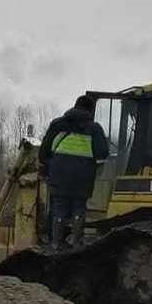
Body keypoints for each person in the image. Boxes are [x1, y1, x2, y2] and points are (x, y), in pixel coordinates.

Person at [39, 95, 110, 249]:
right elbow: (103, 153)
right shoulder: (94, 128)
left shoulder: (58, 124)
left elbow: (43, 152)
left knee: (59, 207)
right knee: (79, 207)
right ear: (90, 110)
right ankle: (76, 242)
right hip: (83, 177)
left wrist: (49, 165)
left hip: (59, 174)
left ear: (75, 106)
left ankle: (56, 243)